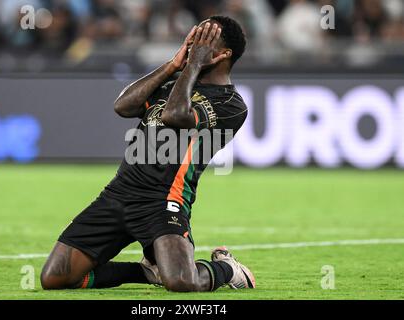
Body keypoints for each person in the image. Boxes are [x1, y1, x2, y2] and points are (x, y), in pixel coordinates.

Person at [41, 16, 255, 292]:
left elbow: (174, 114)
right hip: (119, 193)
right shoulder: (175, 80)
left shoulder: (230, 104)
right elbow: (123, 106)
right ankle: (145, 271)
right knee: (55, 278)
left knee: (181, 282)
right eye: (193, 37)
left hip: (163, 201)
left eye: (204, 41)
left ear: (224, 54)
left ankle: (227, 269)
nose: (193, 45)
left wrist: (191, 67)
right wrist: (172, 66)